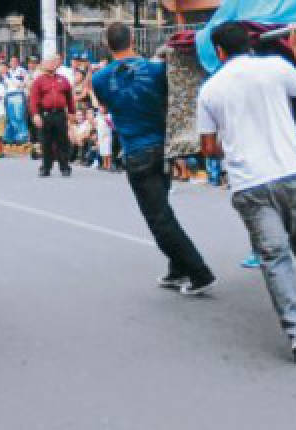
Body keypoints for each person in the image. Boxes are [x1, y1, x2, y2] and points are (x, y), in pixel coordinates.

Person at [197, 22, 296, 363]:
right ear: (249, 44)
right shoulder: (276, 68)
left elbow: (207, 147)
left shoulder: (210, 90)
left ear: (219, 52)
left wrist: (231, 146)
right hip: (291, 172)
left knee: (275, 258)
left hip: (250, 183)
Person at [92, 22, 216, 296]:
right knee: (164, 211)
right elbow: (175, 93)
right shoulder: (158, 69)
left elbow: (107, 105)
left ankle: (199, 272)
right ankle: (177, 269)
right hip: (163, 146)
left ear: (107, 45)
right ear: (133, 39)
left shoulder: (99, 79)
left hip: (137, 150)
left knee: (158, 219)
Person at [29, 57, 75, 177]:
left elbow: (70, 97)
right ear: (43, 65)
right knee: (46, 142)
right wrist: (35, 115)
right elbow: (33, 100)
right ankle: (46, 167)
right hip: (45, 114)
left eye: (53, 62)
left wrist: (71, 112)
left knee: (63, 142)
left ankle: (65, 167)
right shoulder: (38, 81)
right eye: (48, 62)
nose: (51, 64)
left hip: (60, 114)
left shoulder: (63, 80)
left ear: (56, 65)